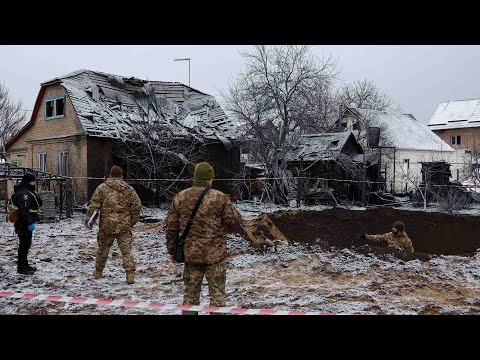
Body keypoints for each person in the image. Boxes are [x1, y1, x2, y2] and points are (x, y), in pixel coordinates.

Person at [165, 162, 243, 315]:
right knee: (218, 298)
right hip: (216, 257)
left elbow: (171, 227)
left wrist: (172, 251)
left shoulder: (180, 197)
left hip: (191, 256)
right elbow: (235, 223)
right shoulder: (220, 198)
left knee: (190, 298)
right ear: (210, 179)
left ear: (195, 177)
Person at [85, 165, 142, 284]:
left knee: (103, 249)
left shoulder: (102, 188)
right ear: (122, 176)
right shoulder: (129, 189)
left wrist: (89, 221)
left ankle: (98, 272)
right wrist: (132, 221)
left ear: (109, 176)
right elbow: (137, 205)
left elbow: (94, 206)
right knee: (126, 251)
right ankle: (130, 274)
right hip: (124, 226)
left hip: (107, 225)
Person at [11, 172, 43, 275]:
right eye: (33, 181)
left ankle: (25, 264)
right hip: (23, 223)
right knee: (24, 245)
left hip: (25, 222)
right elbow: (23, 210)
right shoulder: (24, 194)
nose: (35, 183)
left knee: (26, 244)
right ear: (28, 182)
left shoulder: (27, 192)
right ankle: (21, 267)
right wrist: (29, 223)